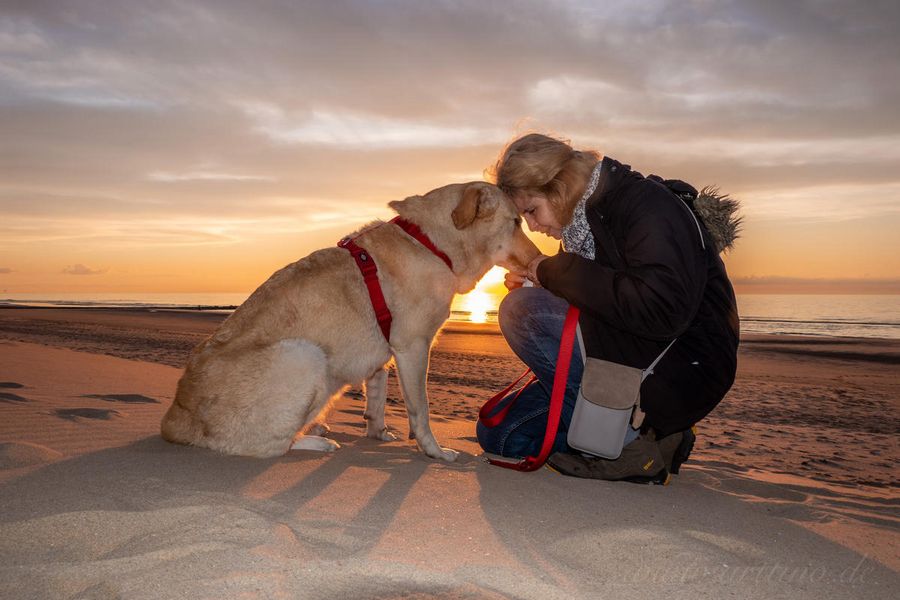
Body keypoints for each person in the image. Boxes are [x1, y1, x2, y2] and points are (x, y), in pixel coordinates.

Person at [476, 133, 740, 484]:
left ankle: (631, 446)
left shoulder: (646, 205)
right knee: (503, 438)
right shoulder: (583, 226)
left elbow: (661, 310)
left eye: (531, 211)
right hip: (628, 351)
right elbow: (602, 295)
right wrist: (543, 280)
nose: (535, 227)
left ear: (559, 187)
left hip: (681, 367)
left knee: (523, 312)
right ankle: (654, 435)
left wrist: (553, 273)